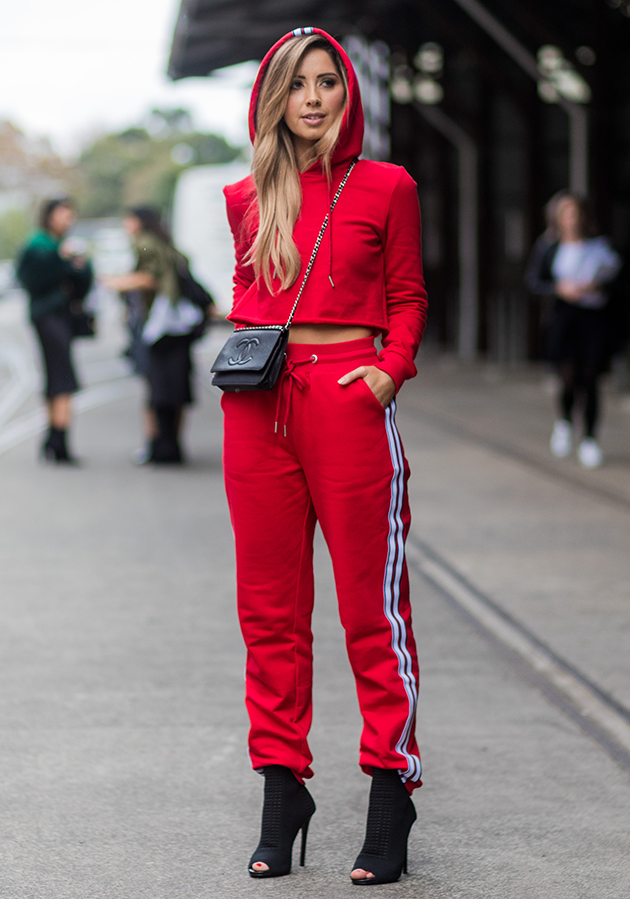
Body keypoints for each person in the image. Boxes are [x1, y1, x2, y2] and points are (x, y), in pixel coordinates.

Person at [220, 28, 428, 884]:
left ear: (348, 94)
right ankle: (282, 790)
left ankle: (390, 790)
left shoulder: (389, 186)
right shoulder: (245, 193)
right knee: (268, 610)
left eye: (327, 83)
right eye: (296, 85)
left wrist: (387, 371)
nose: (313, 98)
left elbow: (409, 293)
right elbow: (248, 293)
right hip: (258, 407)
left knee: (369, 612)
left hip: (349, 394)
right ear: (274, 96)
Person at [527, 194, 621, 468]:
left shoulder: (601, 245)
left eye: (576, 213)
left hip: (594, 319)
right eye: (566, 214)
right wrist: (559, 288)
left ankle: (590, 439)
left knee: (591, 379)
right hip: (564, 319)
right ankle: (565, 420)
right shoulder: (548, 247)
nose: (572, 219)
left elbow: (617, 280)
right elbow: (534, 282)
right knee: (568, 377)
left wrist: (598, 286)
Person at [104, 207, 203, 464]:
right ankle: (174, 445)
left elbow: (150, 277)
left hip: (158, 324)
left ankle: (157, 444)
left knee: (154, 384)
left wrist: (115, 282)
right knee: (178, 385)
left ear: (138, 222)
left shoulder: (145, 244)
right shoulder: (166, 243)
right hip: (178, 324)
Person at [16, 197, 93, 463]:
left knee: (56, 375)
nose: (67, 220)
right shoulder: (39, 246)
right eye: (62, 214)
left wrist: (79, 265)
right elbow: (31, 279)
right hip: (48, 316)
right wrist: (61, 261)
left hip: (62, 316)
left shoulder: (65, 247)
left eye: (70, 215)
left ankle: (53, 437)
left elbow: (83, 283)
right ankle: (59, 440)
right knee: (62, 376)